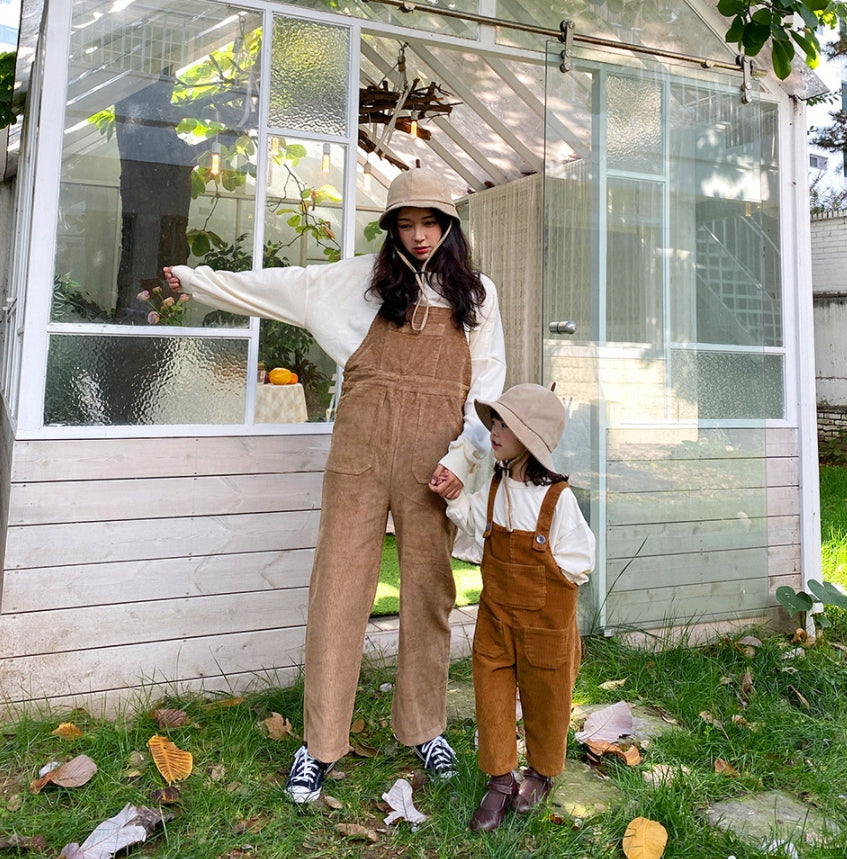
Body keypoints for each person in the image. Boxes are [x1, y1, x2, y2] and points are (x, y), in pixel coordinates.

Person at [163, 167, 506, 804]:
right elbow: (277, 288)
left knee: (428, 593)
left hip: (436, 465)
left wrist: (463, 461)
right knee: (338, 589)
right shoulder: (358, 283)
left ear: (450, 226)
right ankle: (320, 743)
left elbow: (486, 391)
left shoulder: (478, 296)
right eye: (406, 224)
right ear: (393, 229)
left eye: (429, 223)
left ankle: (425, 727)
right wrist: (194, 280)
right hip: (359, 453)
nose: (419, 235)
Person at [436, 383, 595, 832]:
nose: (495, 430)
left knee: (547, 699)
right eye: (495, 421)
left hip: (544, 625)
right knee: (490, 695)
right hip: (496, 617)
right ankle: (501, 777)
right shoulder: (495, 486)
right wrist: (454, 496)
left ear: (531, 438)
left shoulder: (557, 499)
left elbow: (582, 558)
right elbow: (477, 525)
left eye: (505, 423)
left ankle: (541, 772)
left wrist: (553, 575)